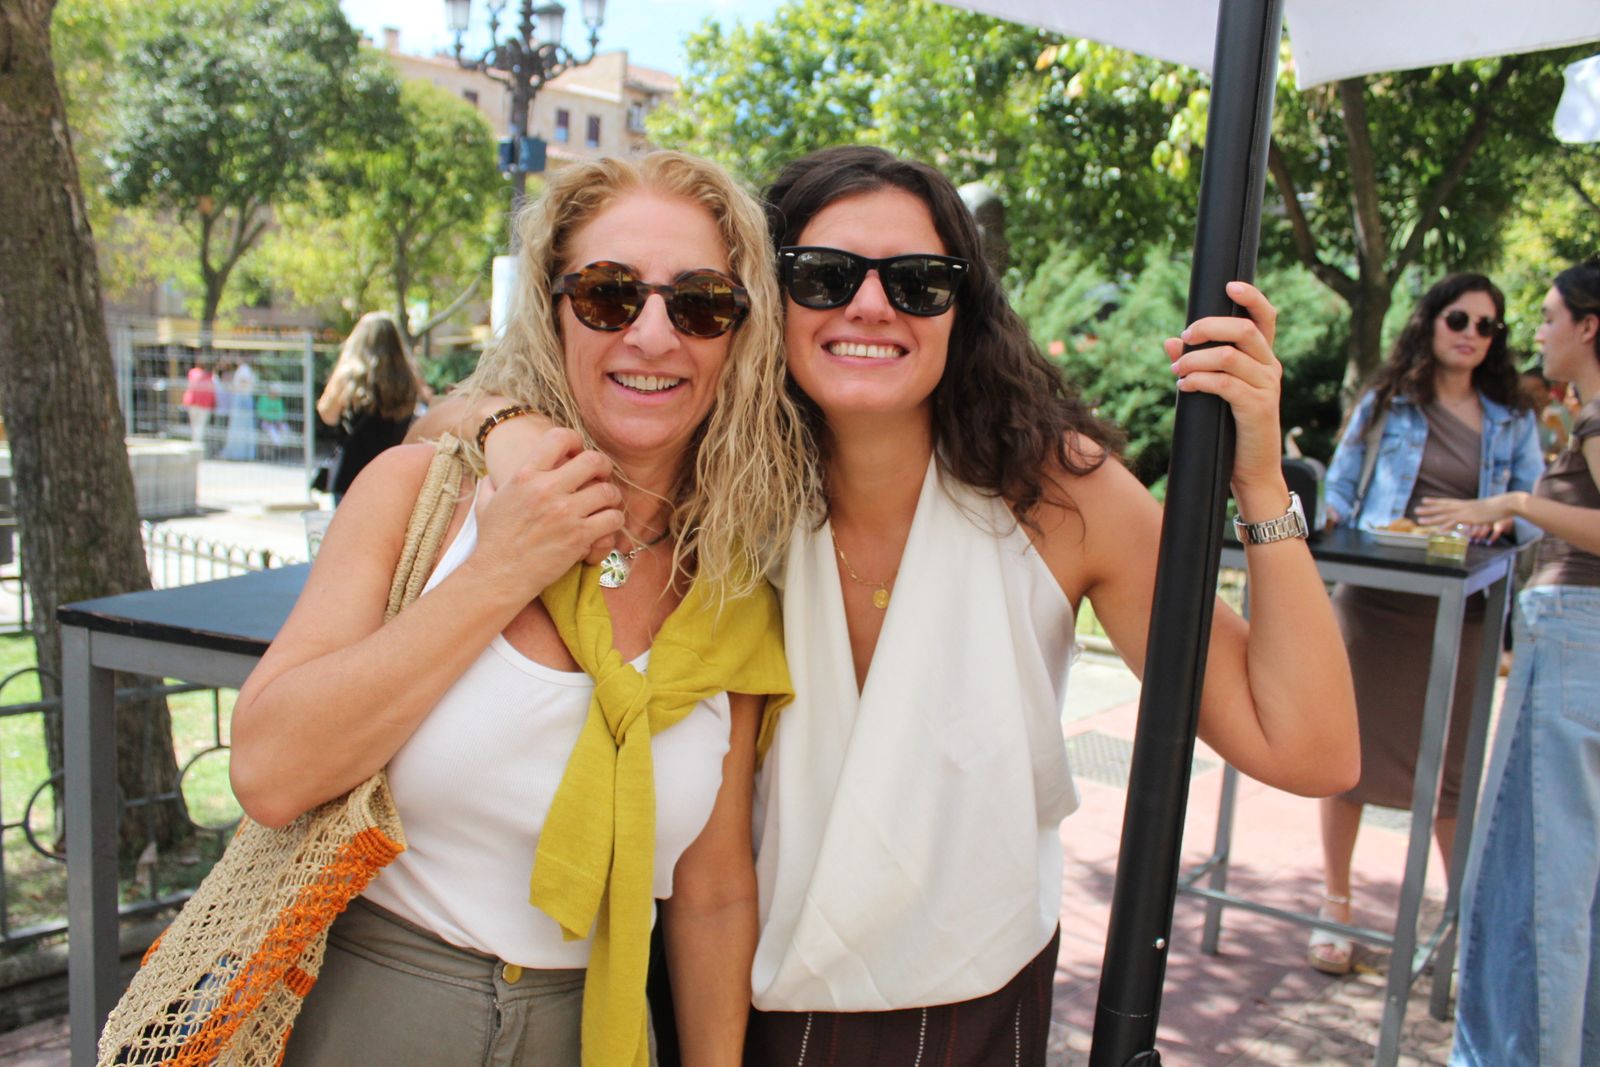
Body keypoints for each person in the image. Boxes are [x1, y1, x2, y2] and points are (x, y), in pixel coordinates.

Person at [739, 145, 1357, 1062]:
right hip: (723, 997)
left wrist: (1260, 481)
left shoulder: (1059, 496)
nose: (870, 305)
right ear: (766, 292)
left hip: (969, 1014)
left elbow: (1308, 747)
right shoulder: (714, 484)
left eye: (918, 281)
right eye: (823, 275)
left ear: (964, 307)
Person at [227, 151, 812, 1067]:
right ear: (551, 307)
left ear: (738, 335)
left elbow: (712, 893)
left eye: (699, 302)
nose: (654, 336)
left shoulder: (731, 588)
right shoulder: (424, 497)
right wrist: (500, 570)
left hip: (599, 1031)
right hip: (371, 1016)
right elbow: (268, 769)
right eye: (611, 295)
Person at [1310, 272, 1543, 976]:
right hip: (1376, 598)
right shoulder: (1387, 400)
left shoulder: (1512, 416)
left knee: (1452, 769)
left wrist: (1507, 515)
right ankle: (1335, 903)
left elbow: (1534, 507)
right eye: (1460, 320)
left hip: (1463, 604)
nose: (1473, 334)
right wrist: (1326, 524)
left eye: (1487, 326)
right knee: (1342, 756)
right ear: (1431, 322)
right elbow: (1341, 489)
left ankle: (1461, 920)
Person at [1416, 257, 1600, 1066]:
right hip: (1573, 633)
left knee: (1536, 881)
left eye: (1549, 316)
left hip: (1573, 633)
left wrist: (1519, 502)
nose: (1536, 332)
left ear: (1589, 326)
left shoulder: (1591, 418)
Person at [316, 311, 425, 503]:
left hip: (352, 475)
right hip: (392, 474)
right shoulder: (410, 379)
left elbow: (328, 414)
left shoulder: (349, 377)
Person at [219, 354, 258, 461]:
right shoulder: (245, 369)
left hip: (242, 400)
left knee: (239, 428)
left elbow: (245, 382)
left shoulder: (244, 369)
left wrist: (235, 387)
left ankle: (239, 453)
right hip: (242, 399)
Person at [181, 360, 216, 450]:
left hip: (193, 403)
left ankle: (195, 445)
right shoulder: (209, 376)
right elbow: (211, 391)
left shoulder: (193, 372)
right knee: (200, 426)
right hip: (203, 404)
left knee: (194, 425)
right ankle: (197, 446)